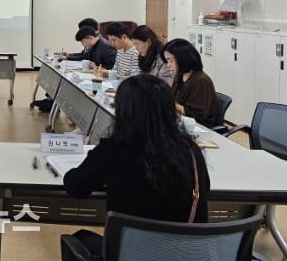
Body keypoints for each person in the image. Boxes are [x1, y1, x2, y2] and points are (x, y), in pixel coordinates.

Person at [62, 74, 210, 259]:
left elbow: (75, 186)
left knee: (81, 238)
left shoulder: (114, 149)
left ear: (124, 110)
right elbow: (205, 191)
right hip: (183, 254)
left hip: (129, 253)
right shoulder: (190, 150)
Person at [162, 39, 219, 128]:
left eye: (171, 61)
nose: (168, 65)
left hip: (200, 127)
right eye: (167, 61)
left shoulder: (201, 81)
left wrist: (170, 103)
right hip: (182, 122)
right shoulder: (180, 76)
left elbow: (198, 116)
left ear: (182, 59)